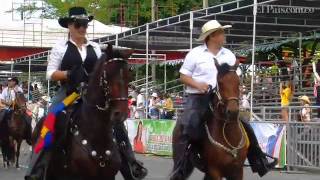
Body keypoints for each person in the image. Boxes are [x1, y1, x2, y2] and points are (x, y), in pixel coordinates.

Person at [25, 7, 147, 180]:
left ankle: (131, 163)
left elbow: (103, 68)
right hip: (68, 93)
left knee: (117, 122)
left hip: (92, 95)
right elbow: (50, 73)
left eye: (85, 25)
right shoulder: (60, 47)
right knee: (50, 119)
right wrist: (68, 74)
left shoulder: (95, 47)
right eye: (78, 24)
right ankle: (37, 168)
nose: (82, 28)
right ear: (69, 25)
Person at [172, 20, 277, 178]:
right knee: (188, 125)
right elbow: (183, 76)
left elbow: (235, 78)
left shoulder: (228, 55)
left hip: (223, 98)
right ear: (212, 36)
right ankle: (180, 168)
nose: (224, 36)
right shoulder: (195, 53)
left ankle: (259, 160)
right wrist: (198, 84)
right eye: (221, 33)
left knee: (245, 126)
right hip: (198, 97)